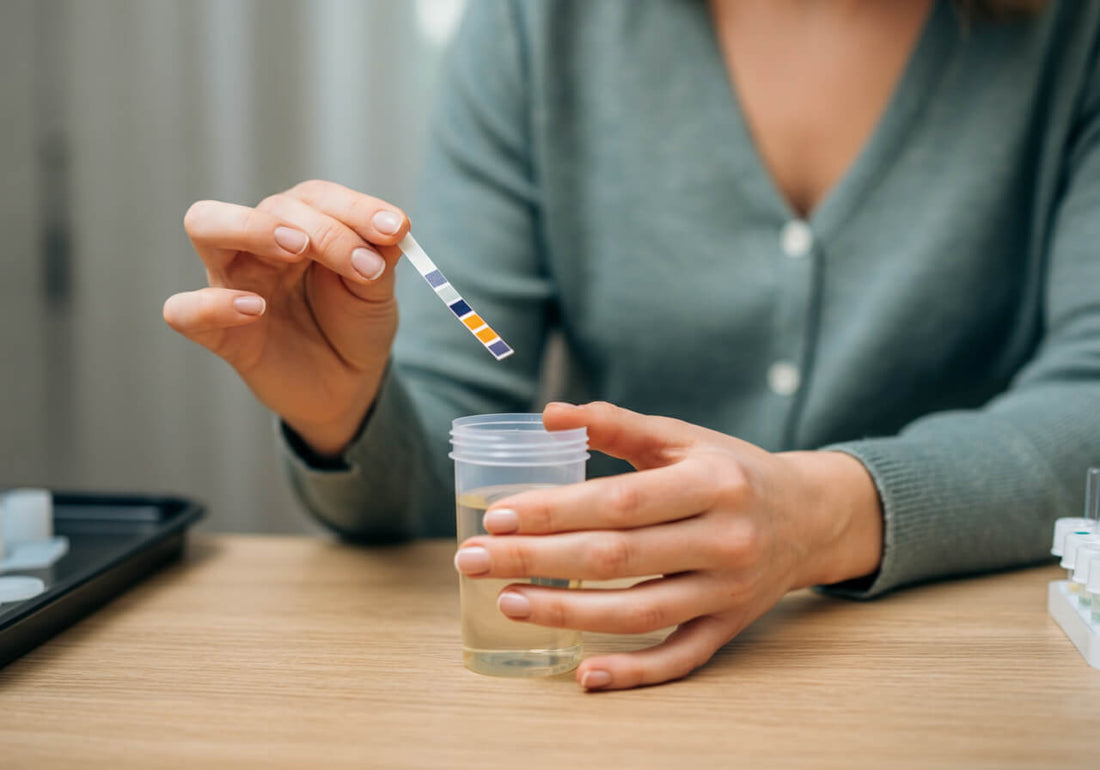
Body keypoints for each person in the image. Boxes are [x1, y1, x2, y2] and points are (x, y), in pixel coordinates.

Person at [164, 0, 1099, 691]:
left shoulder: (1076, 35)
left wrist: (826, 514)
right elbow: (457, 445)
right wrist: (346, 412)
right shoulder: (539, 24)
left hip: (968, 674)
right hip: (613, 679)